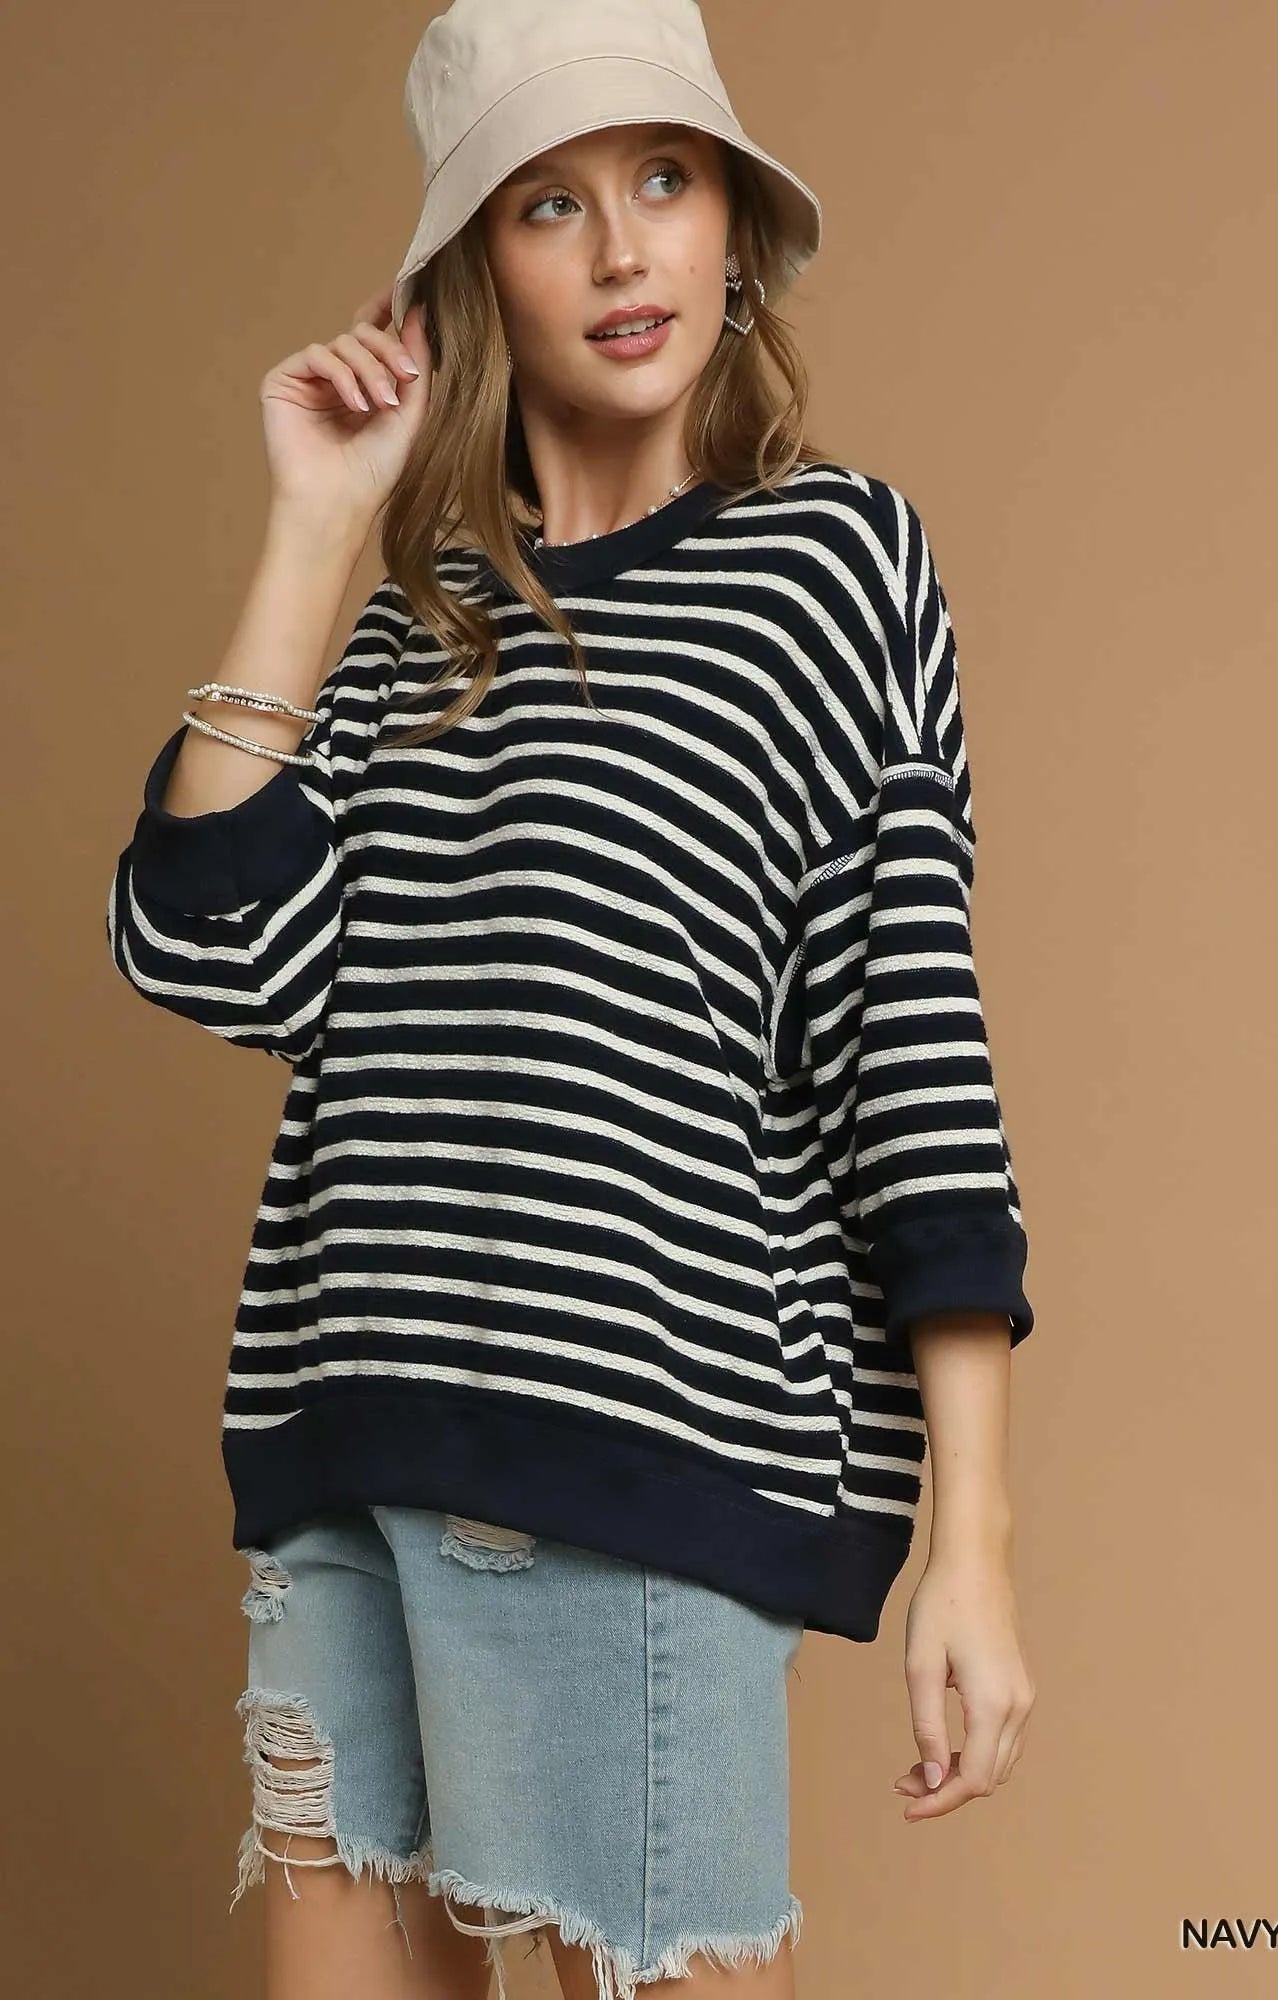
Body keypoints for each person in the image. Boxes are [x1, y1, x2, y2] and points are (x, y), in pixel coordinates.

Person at [105, 4, 1038, 1996]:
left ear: (731, 230)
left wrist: (974, 1539)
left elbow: (910, 1053)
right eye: (548, 204)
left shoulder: (827, 564)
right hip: (349, 1440)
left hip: (636, 1454)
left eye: (664, 181)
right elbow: (205, 948)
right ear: (472, 277)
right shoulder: (412, 629)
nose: (623, 250)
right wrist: (314, 530)